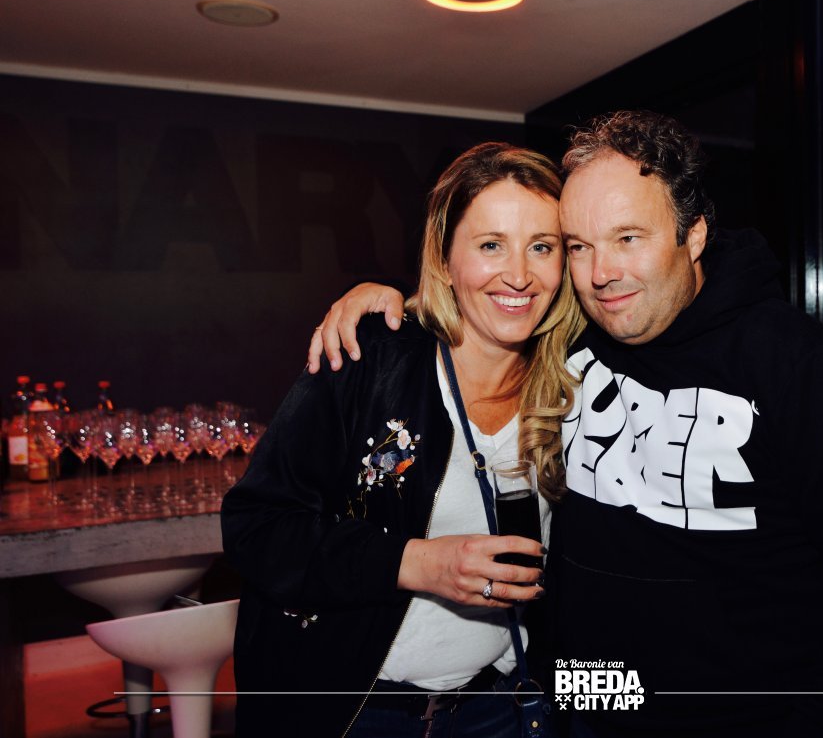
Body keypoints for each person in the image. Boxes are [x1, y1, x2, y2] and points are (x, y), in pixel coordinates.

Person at [308, 111, 823, 737]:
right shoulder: (571, 338)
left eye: (629, 238)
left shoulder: (805, 369)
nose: (601, 272)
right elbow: (488, 298)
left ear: (694, 235)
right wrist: (385, 303)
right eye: (578, 246)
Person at [221, 142, 585, 738]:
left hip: (501, 709)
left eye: (541, 247)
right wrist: (416, 563)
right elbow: (257, 528)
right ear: (444, 257)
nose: (520, 275)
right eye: (491, 245)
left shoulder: (578, 383)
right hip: (358, 713)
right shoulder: (370, 358)